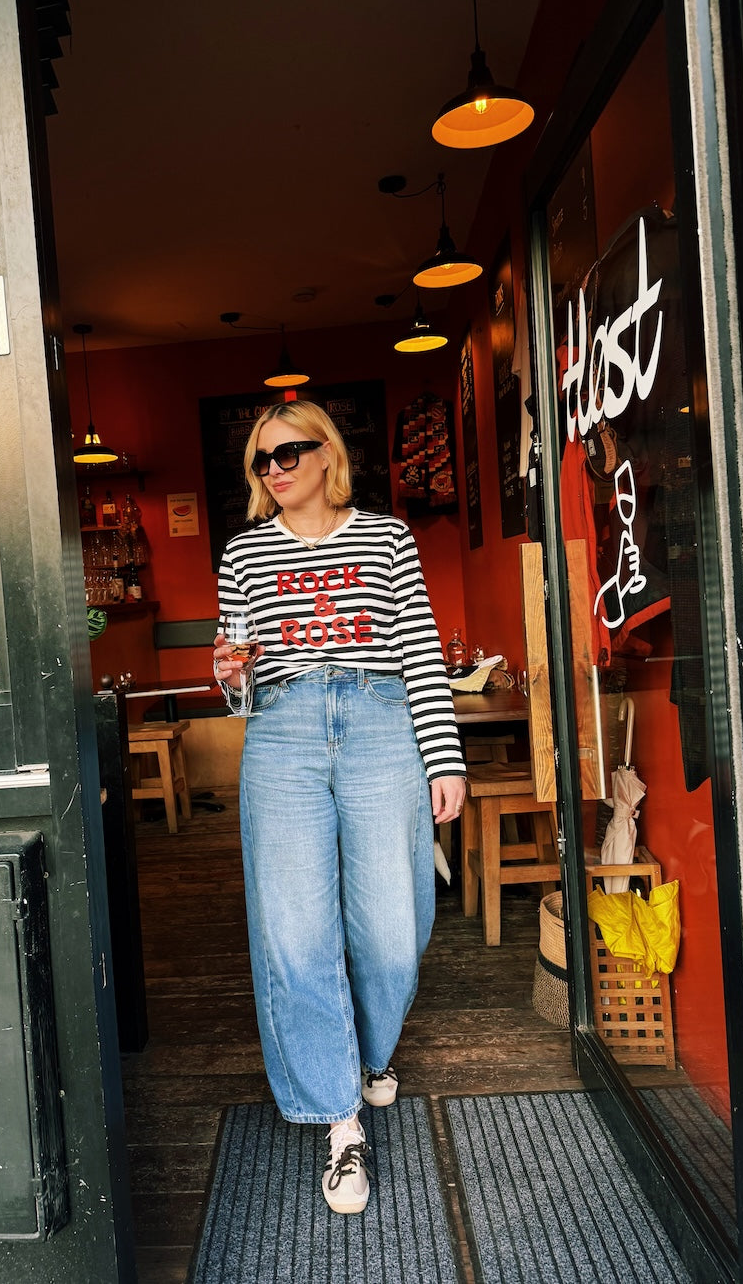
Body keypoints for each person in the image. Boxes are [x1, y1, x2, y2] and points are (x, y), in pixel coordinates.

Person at [213, 399, 466, 1215]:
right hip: (283, 730)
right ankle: (340, 1117)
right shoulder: (243, 554)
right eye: (262, 459)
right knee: (297, 928)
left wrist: (444, 757)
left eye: (290, 450)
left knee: (395, 924)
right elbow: (238, 693)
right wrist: (228, 671)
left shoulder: (388, 537)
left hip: (381, 721)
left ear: (329, 454)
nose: (277, 468)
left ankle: (373, 1050)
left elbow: (421, 650)